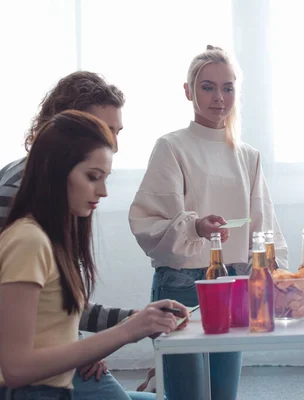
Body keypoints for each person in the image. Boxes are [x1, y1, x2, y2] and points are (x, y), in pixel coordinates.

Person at [129, 45, 288, 400]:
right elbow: (147, 221)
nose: (219, 97)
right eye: (208, 87)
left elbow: (263, 223)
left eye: (228, 87)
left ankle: (158, 378)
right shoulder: (170, 147)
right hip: (182, 282)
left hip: (234, 282)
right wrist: (196, 227)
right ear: (188, 91)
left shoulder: (248, 155)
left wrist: (274, 273)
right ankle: (159, 379)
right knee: (188, 394)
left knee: (223, 393)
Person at [0, 110, 188, 400]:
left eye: (105, 179)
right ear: (54, 170)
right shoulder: (29, 240)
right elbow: (16, 368)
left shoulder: (49, 239)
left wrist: (140, 320)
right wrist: (128, 331)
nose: (103, 192)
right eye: (92, 177)